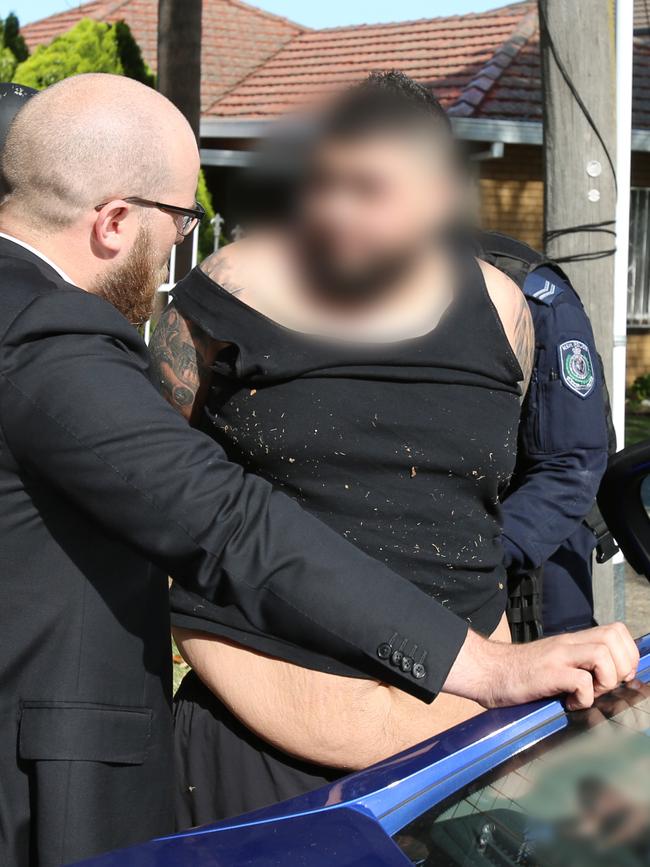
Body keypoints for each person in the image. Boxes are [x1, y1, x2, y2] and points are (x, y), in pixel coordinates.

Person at [0, 72, 581, 867]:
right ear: (112, 222)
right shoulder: (54, 333)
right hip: (211, 755)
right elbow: (221, 517)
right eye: (179, 217)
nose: (179, 239)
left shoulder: (510, 311)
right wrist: (485, 666)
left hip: (450, 752)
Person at [148, 72, 638, 826]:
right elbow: (144, 474)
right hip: (256, 726)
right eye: (323, 182)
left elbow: (486, 500)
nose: (334, 209)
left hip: (456, 738)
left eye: (368, 187)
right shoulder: (233, 285)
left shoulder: (507, 308)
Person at [477, 233, 611, 639]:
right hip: (446, 553)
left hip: (539, 541)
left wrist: (474, 559)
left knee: (556, 692)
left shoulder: (537, 297)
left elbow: (572, 467)